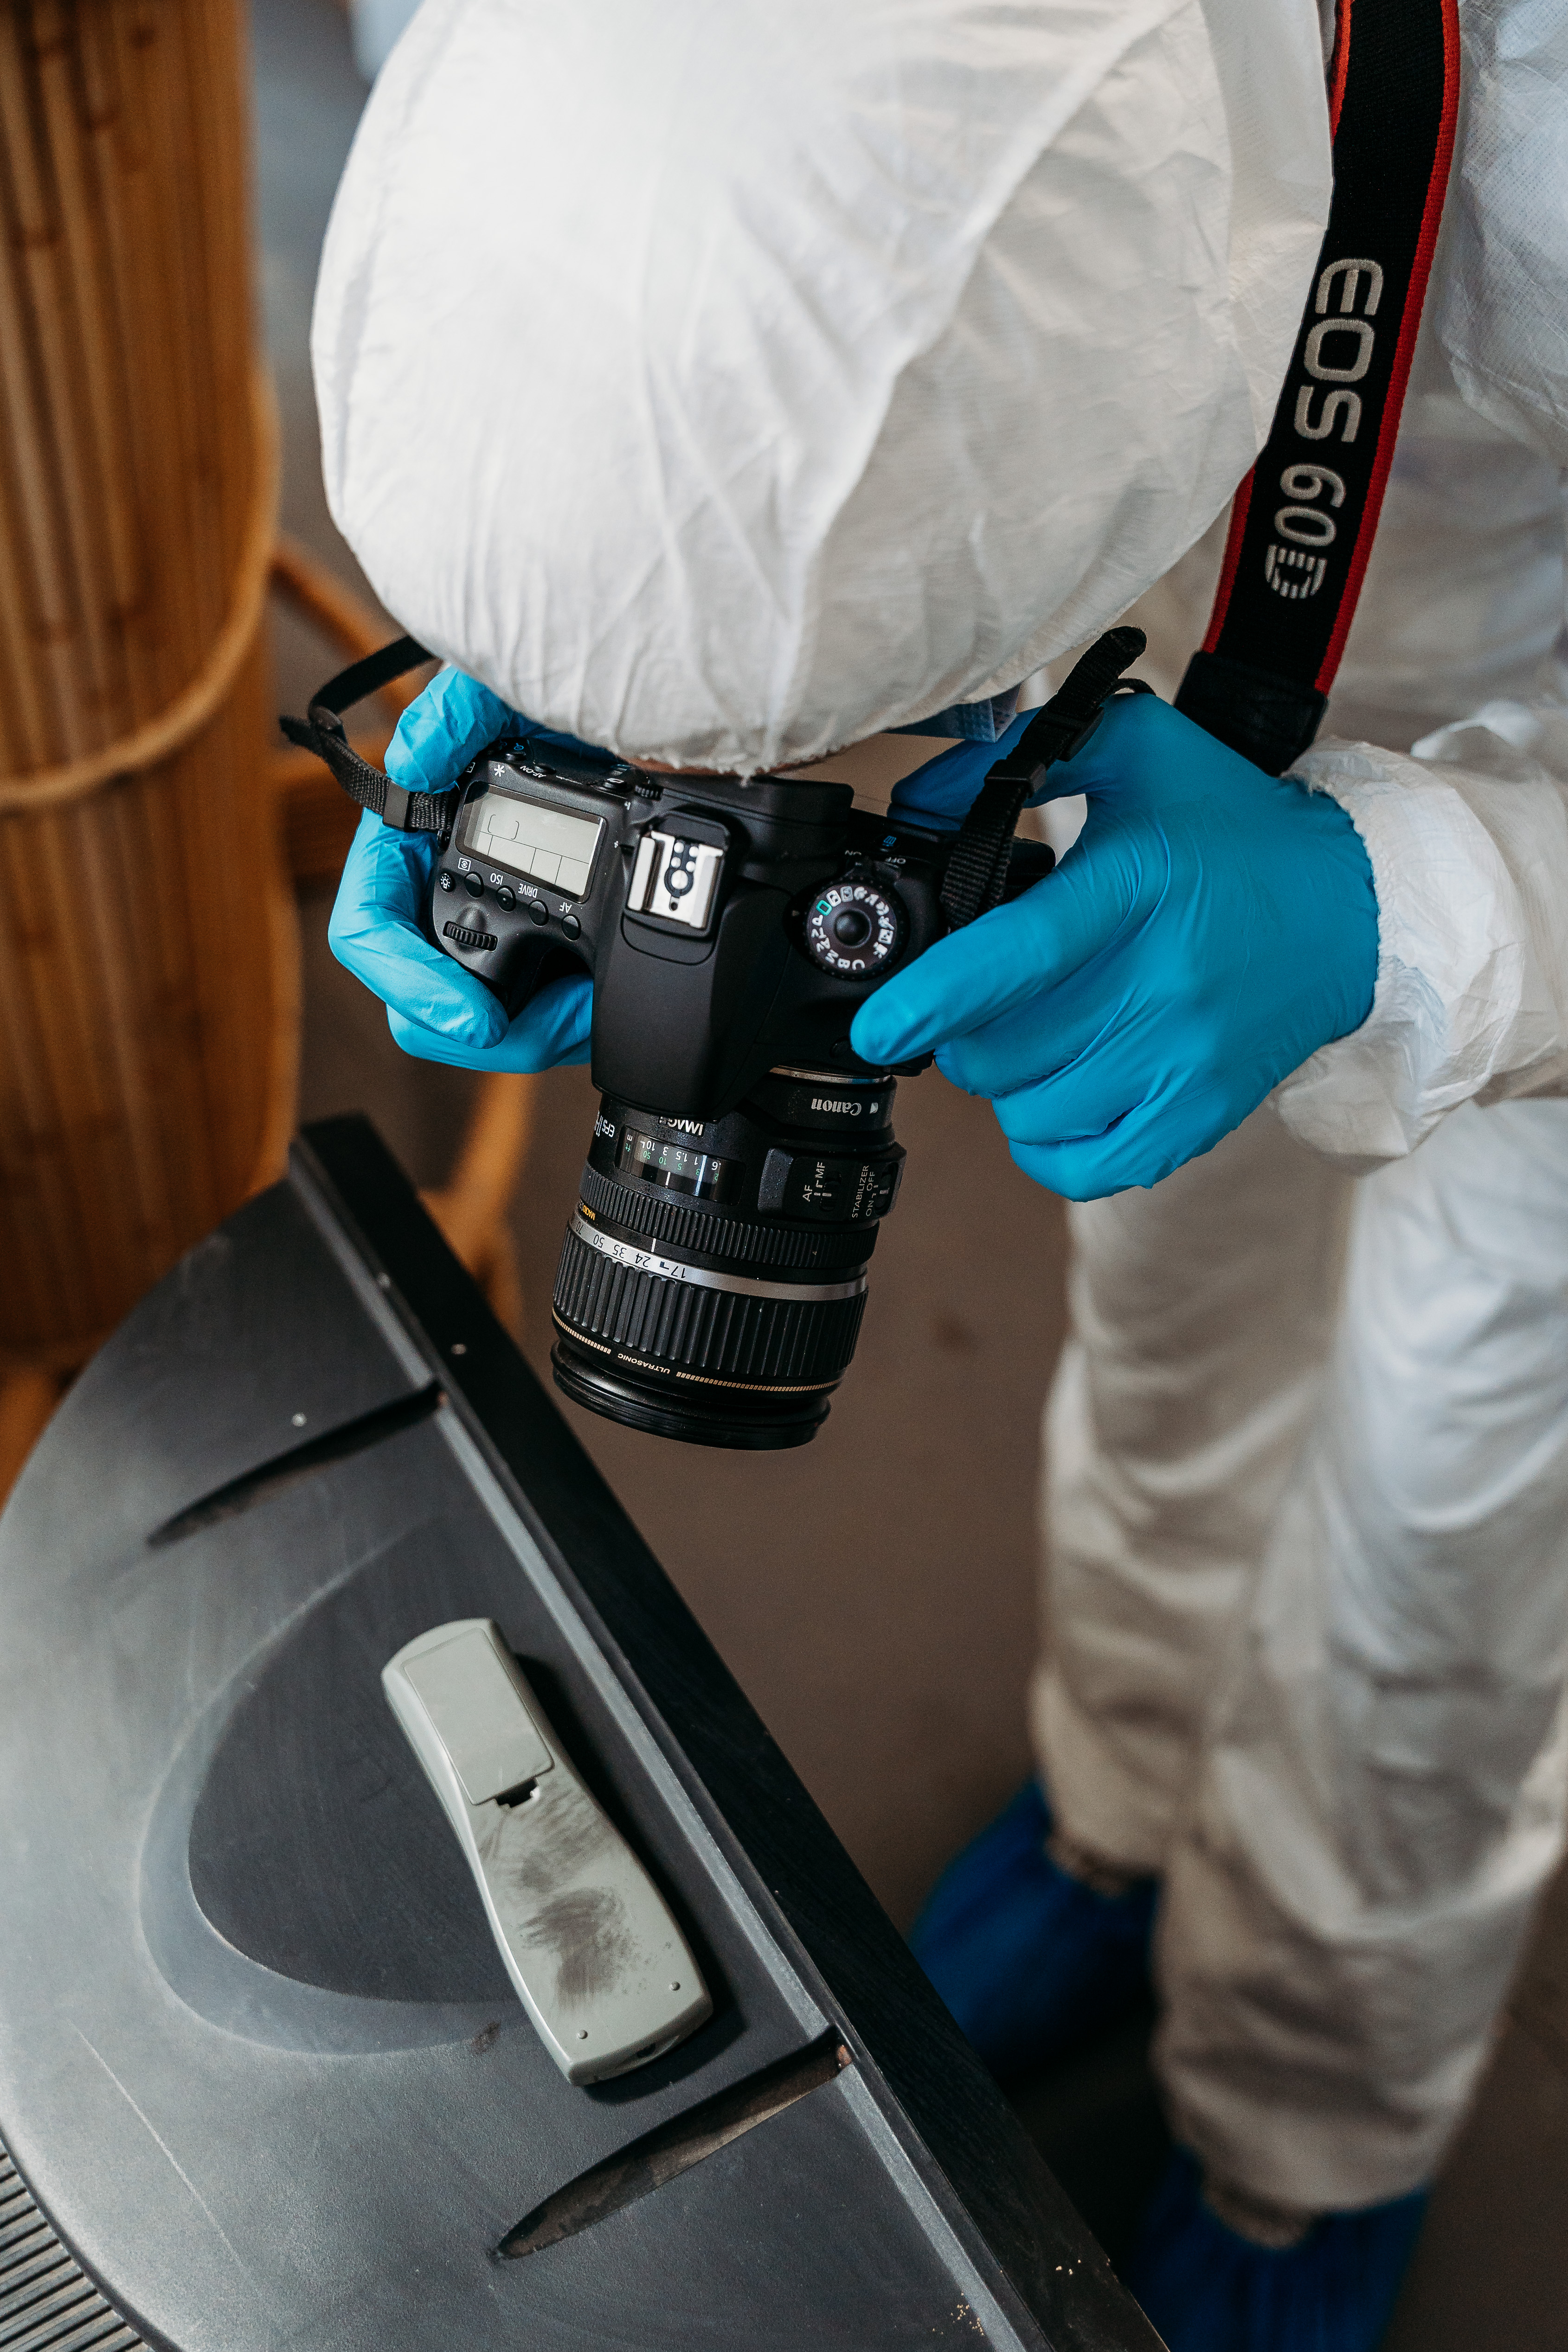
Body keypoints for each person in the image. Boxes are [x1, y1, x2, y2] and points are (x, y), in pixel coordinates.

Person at [312, 3, 1568, 2346]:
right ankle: (1112, 1806)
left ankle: (1306, 2123)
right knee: (1166, 1315)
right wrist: (595, 670)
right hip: (1148, 685)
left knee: (1451, 1506)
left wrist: (1414, 920)